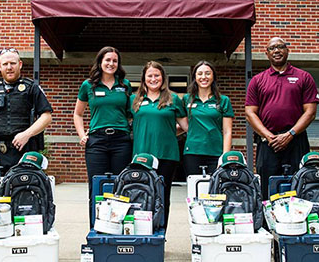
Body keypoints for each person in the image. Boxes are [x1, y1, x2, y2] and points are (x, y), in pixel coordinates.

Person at [245, 37, 319, 200]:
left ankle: (296, 223)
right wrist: (268, 136)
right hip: (268, 143)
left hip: (296, 141)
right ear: (267, 54)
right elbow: (250, 113)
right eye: (272, 48)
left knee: (298, 186)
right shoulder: (258, 80)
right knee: (267, 189)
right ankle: (268, 223)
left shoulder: (304, 77)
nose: (276, 51)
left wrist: (289, 134)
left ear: (287, 50)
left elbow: (310, 112)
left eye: (280, 47)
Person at [0, 48, 53, 177]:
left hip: (25, 152)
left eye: (12, 63)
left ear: (20, 64)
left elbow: (46, 117)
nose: (9, 67)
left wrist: (26, 134)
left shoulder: (32, 88)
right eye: (5, 64)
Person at [73, 47, 133, 214]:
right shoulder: (88, 85)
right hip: (97, 141)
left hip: (121, 141)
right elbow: (78, 114)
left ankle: (117, 228)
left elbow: (130, 114)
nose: (111, 64)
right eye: (107, 60)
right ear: (100, 62)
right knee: (97, 185)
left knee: (120, 184)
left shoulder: (125, 85)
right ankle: (96, 228)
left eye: (114, 61)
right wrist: (82, 135)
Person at [130, 61, 187, 229]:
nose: (153, 79)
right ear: (143, 78)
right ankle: (143, 233)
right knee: (141, 194)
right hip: (141, 156)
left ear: (163, 78)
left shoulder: (173, 99)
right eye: (150, 76)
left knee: (162, 196)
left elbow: (186, 127)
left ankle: (161, 234)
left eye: (157, 75)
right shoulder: (134, 99)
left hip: (166, 155)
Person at [182, 61, 234, 176]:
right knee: (194, 189)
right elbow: (183, 125)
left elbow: (227, 131)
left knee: (214, 191)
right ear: (195, 77)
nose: (203, 77)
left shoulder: (223, 100)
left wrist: (224, 156)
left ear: (213, 76)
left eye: (207, 73)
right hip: (192, 151)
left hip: (215, 152)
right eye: (200, 74)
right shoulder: (187, 99)